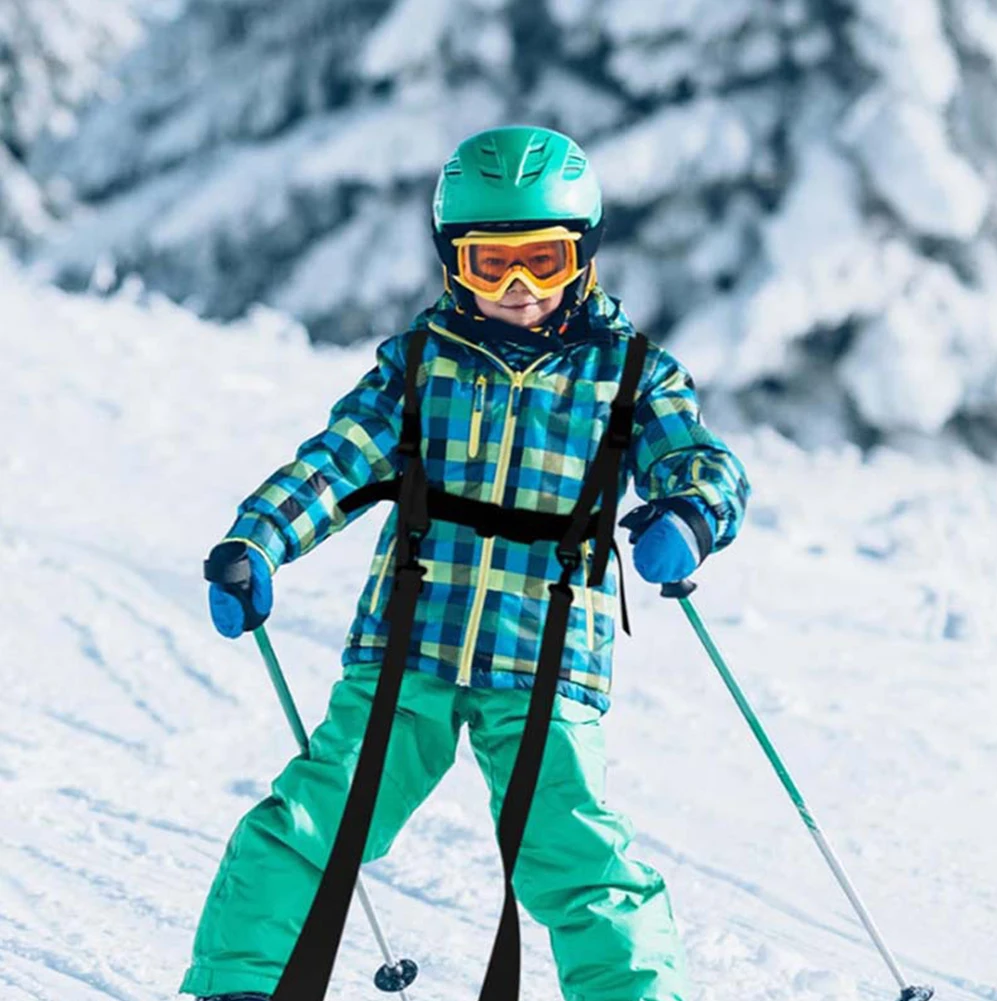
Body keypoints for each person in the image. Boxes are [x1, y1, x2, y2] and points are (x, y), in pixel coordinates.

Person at [179, 125, 751, 1001]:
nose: (519, 290)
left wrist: (690, 510)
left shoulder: (629, 372)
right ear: (454, 263)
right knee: (313, 821)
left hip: (546, 656)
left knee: (577, 858)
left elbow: (701, 460)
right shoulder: (420, 365)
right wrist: (258, 537)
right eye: (492, 265)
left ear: (583, 256)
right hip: (408, 644)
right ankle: (240, 985)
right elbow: (338, 461)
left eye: (542, 261)